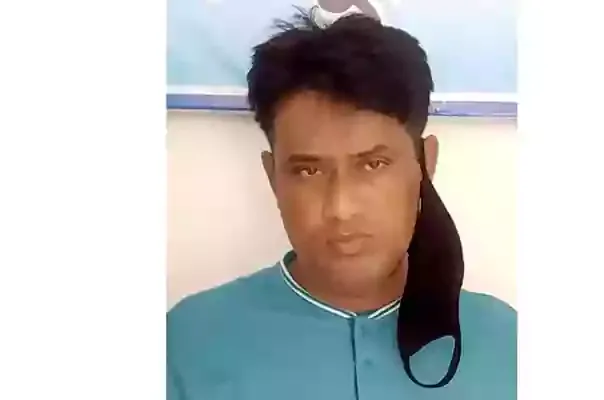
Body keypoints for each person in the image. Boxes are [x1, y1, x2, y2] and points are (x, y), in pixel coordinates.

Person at [167, 8, 516, 400]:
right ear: (273, 177)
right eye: (308, 171)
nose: (341, 208)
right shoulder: (185, 344)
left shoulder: (508, 345)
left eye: (373, 164)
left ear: (425, 164)